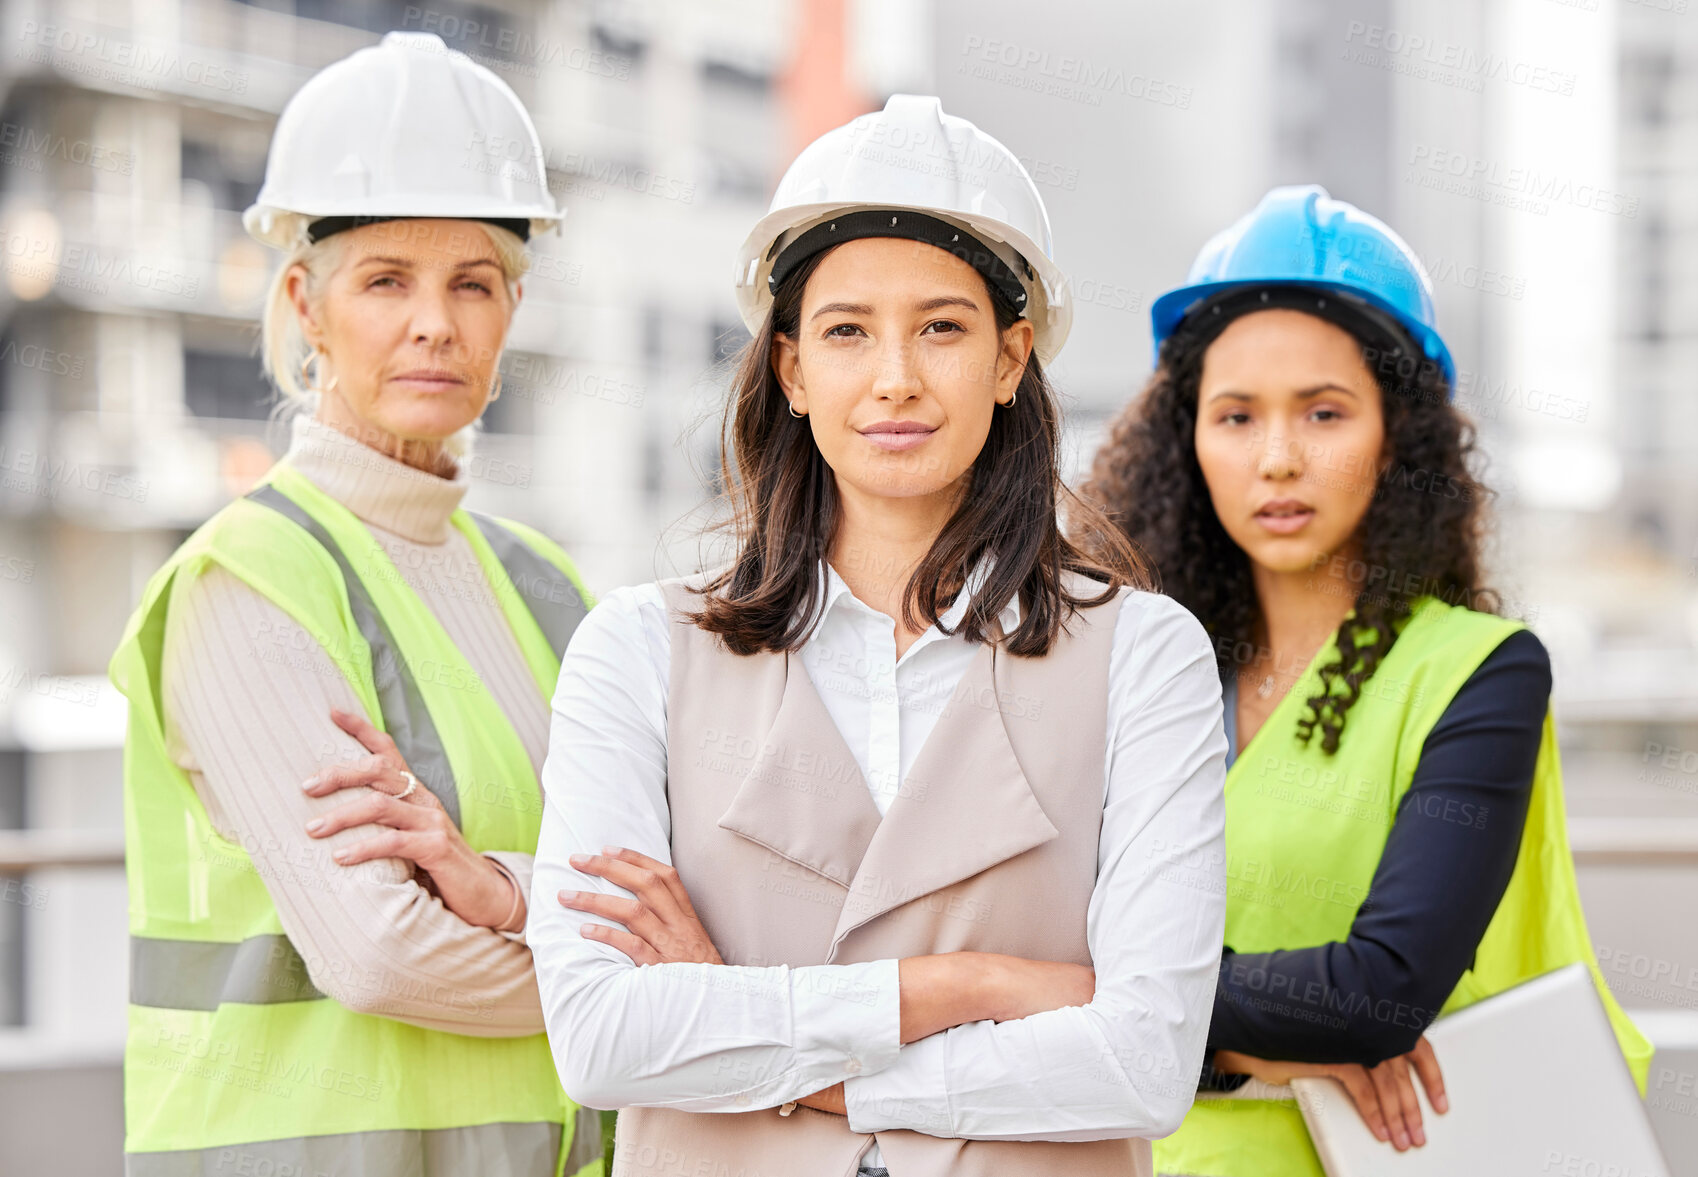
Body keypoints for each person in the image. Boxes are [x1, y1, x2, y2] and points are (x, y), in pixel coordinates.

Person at [527, 95, 1228, 1177]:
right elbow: (603, 1037)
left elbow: (1144, 1061)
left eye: (942, 327)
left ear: (1010, 359)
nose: (895, 375)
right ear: (794, 371)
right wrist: (967, 988)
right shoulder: (635, 650)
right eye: (847, 330)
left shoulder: (1144, 654)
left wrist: (773, 1044)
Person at [109, 32, 603, 1176]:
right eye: (386, 281)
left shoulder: (547, 582)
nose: (435, 321)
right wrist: (649, 1000)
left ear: (511, 312)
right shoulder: (252, 580)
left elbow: (654, 879)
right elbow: (383, 954)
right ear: (306, 304)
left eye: (473, 283)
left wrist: (521, 901)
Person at [1084, 184, 1653, 1177]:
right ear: (1190, 442)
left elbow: (1379, 994)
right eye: (1235, 415)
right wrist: (1236, 1036)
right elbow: (1016, 930)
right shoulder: (1124, 663)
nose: (1277, 458)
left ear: (1399, 436)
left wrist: (1129, 1005)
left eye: (1324, 411)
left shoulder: (1480, 675)